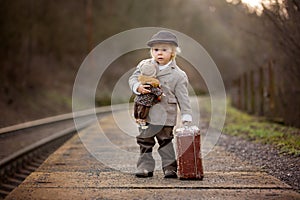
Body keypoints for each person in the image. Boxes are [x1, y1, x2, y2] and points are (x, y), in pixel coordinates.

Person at [129, 30, 192, 178]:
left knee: (165, 141)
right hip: (146, 114)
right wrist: (137, 87)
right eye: (156, 50)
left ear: (173, 52)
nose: (160, 53)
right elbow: (133, 78)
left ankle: (170, 168)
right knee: (145, 140)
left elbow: (183, 97)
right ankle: (145, 166)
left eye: (164, 50)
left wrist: (186, 115)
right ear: (151, 51)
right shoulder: (145, 66)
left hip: (166, 115)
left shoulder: (178, 75)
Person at [133, 60, 163, 129]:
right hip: (146, 102)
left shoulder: (141, 82)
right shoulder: (152, 84)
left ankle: (138, 119)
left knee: (137, 110)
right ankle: (142, 121)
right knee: (143, 113)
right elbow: (157, 91)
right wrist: (160, 94)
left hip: (137, 100)